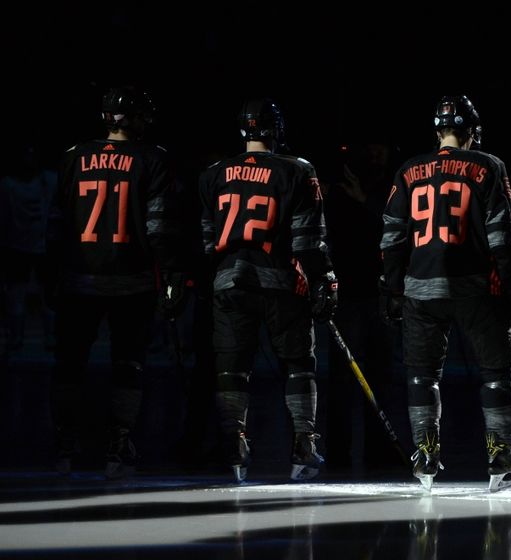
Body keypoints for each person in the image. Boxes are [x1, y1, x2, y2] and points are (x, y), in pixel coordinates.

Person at [380, 95, 511, 491]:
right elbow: (504, 232)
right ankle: (500, 455)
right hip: (474, 287)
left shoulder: (409, 169)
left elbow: (392, 236)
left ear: (437, 131)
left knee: (422, 373)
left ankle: (425, 455)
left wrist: (394, 288)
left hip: (420, 287)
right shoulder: (488, 166)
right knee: (497, 368)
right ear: (472, 132)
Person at [199, 98, 337, 482]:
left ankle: (234, 446)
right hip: (281, 281)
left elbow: (208, 243)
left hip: (230, 280)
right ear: (276, 130)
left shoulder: (213, 174)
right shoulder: (297, 170)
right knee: (298, 365)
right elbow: (309, 240)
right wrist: (324, 280)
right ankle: (303, 445)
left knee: (232, 368)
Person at [50, 86, 183, 478]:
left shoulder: (74, 156)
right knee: (128, 365)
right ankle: (118, 444)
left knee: (69, 364)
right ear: (134, 118)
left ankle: (64, 444)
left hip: (78, 277)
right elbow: (158, 226)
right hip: (132, 280)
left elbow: (56, 224)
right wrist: (172, 273)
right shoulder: (153, 158)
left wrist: (51, 273)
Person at [323, 140, 399, 471]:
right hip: (347, 296)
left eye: (380, 145)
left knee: (381, 377)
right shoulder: (336, 191)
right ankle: (338, 453)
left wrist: (365, 202)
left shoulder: (391, 189)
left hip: (378, 295)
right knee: (342, 380)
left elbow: (396, 232)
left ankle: (379, 450)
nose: (375, 151)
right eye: (370, 145)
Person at [0, 143, 57, 354]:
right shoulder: (7, 185)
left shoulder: (49, 181)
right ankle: (17, 337)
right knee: (17, 294)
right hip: (18, 248)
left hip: (41, 247)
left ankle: (47, 337)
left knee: (46, 294)